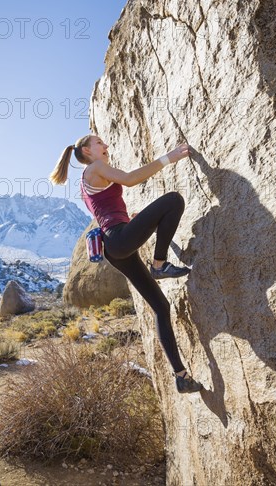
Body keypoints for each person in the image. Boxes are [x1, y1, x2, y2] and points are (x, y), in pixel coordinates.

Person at [49, 134, 203, 394]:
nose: (106, 146)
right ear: (87, 150)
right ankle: (159, 264)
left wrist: (131, 223)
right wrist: (170, 157)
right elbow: (131, 180)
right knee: (174, 200)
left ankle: (181, 376)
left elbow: (107, 210)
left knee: (160, 307)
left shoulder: (86, 180)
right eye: (100, 144)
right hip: (117, 239)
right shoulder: (94, 168)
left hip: (116, 246)